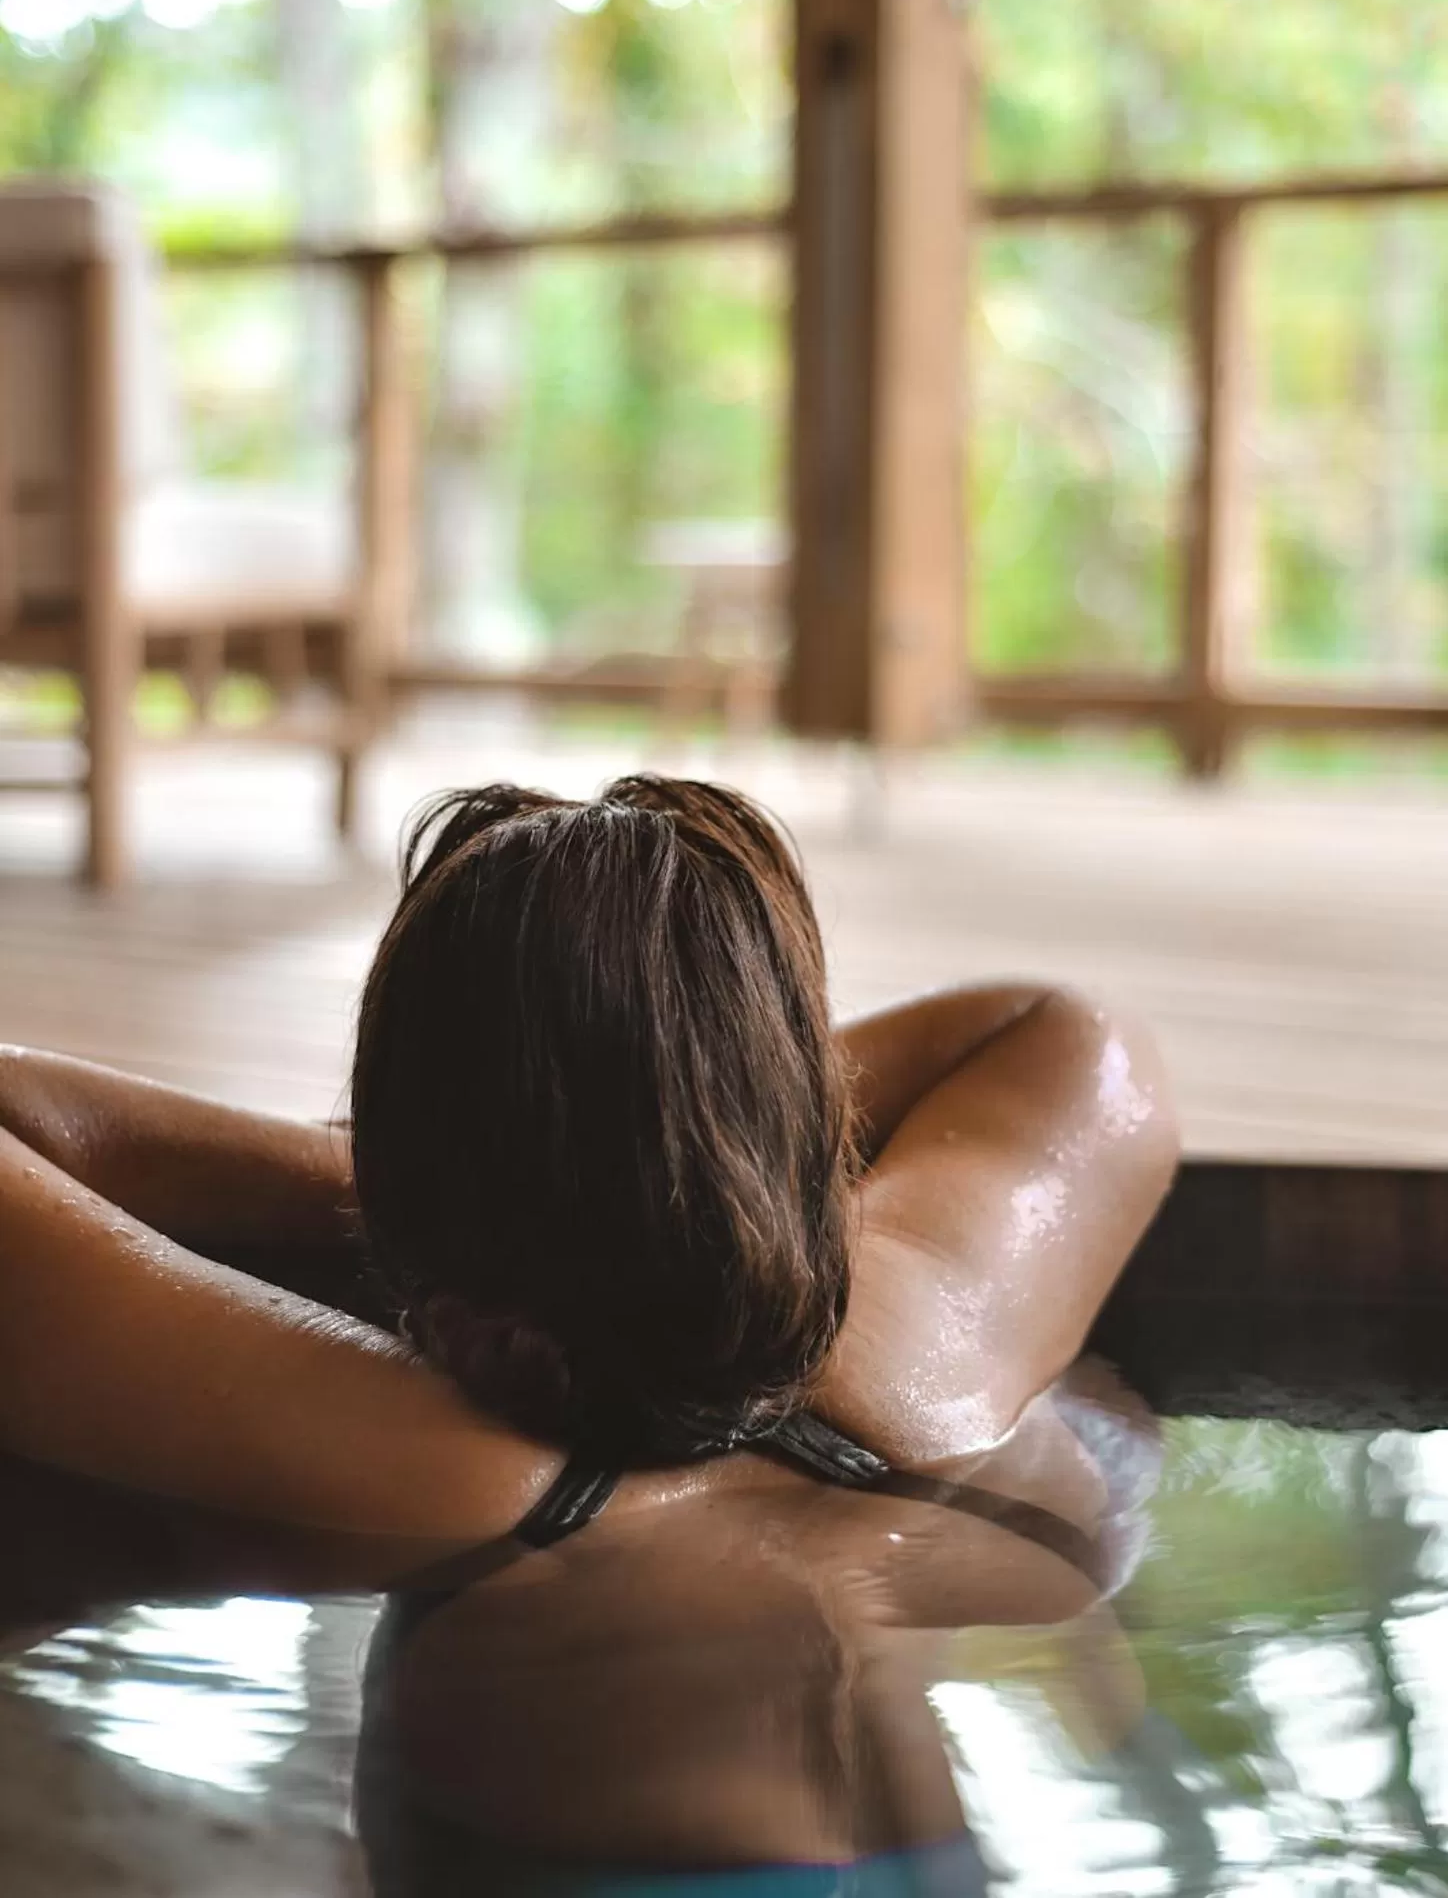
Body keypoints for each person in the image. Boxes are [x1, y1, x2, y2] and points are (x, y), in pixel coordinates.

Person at [0, 776, 1178, 1884]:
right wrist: (713, 1123)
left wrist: (385, 1178)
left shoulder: (429, 1472)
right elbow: (1061, 1029)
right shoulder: (934, 1339)